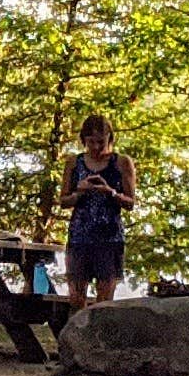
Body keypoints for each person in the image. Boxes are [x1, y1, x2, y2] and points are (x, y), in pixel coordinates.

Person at [61, 114, 135, 306]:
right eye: (91, 142)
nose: (95, 147)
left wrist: (110, 192)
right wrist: (79, 192)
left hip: (109, 238)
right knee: (76, 299)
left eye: (100, 142)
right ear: (83, 139)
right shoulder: (74, 163)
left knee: (104, 301)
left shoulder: (121, 162)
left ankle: (101, 334)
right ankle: (77, 333)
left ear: (110, 138)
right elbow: (63, 201)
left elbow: (130, 203)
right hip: (79, 237)